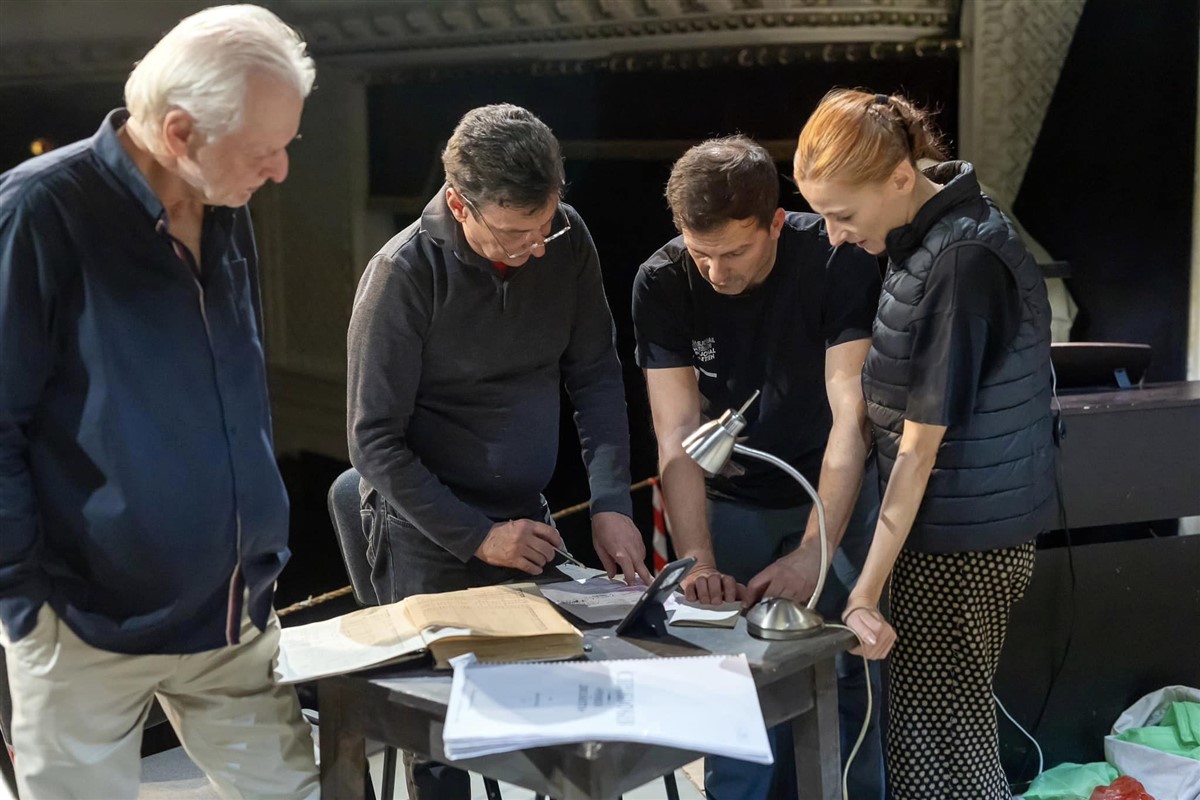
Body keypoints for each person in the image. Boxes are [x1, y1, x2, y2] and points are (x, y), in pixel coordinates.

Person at [0, 5, 319, 799]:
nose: (280, 170)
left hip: (232, 616)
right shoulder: (38, 212)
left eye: (288, 144)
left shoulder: (225, 204)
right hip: (83, 627)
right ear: (180, 133)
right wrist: (24, 602)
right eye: (264, 150)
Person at [348, 103, 650, 798]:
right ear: (460, 204)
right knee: (444, 739)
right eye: (515, 235)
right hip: (429, 531)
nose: (537, 247)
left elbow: (597, 376)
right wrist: (477, 536)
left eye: (546, 224)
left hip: (525, 514)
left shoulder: (567, 240)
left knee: (566, 706)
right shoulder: (402, 275)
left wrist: (610, 502)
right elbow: (373, 441)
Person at [794, 89, 1056, 800]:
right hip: (948, 532)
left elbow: (916, 452)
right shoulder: (932, 237)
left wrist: (864, 593)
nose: (833, 235)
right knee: (927, 743)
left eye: (842, 215)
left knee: (942, 752)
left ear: (902, 178)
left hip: (963, 546)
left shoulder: (960, 259)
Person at [632, 135, 885, 800]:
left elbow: (849, 420)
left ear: (777, 221)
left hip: (831, 488)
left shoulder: (834, 261)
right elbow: (677, 434)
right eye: (702, 252)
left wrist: (814, 550)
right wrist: (697, 560)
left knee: (847, 676)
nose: (717, 271)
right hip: (730, 497)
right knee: (734, 688)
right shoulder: (662, 281)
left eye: (736, 251)